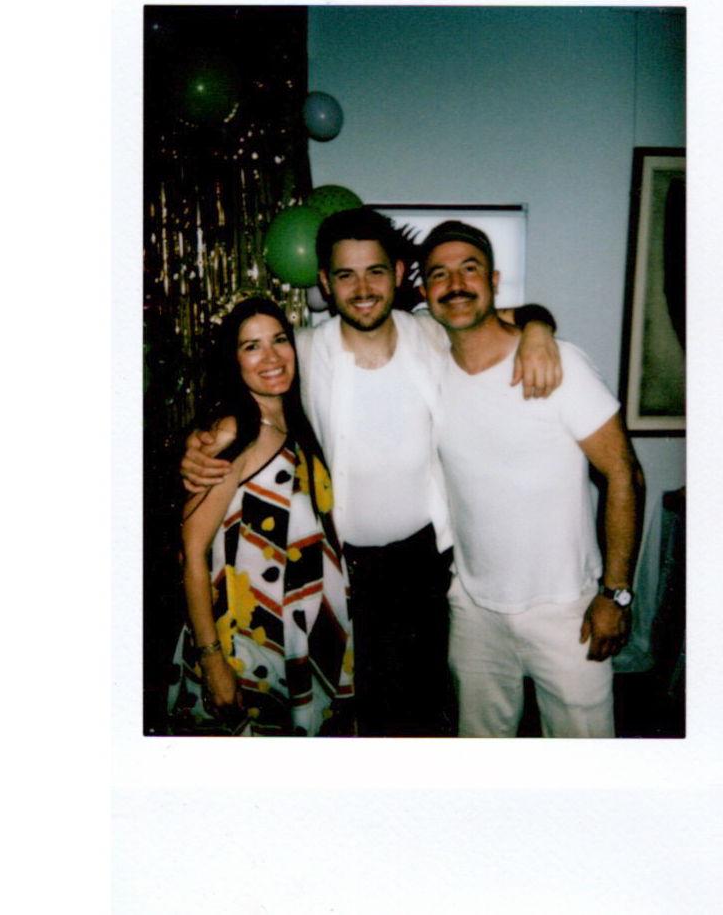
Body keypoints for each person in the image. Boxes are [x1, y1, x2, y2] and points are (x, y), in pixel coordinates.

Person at [180, 207, 562, 736]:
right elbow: (248, 395)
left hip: (427, 562)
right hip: (341, 571)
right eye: (346, 275)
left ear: (399, 274)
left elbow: (507, 317)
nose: (362, 289)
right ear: (325, 282)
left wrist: (540, 327)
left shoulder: (433, 334)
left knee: (428, 707)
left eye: (375, 272)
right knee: (358, 714)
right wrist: (201, 443)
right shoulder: (303, 351)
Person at [419, 220, 646, 738]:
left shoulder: (558, 363)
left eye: (469, 269)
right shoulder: (428, 368)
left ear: (494, 281)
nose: (455, 284)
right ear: (425, 292)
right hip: (474, 610)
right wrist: (536, 319)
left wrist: (616, 594)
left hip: (567, 609)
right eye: (439, 275)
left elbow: (624, 474)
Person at [167, 297, 354, 736]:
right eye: (251, 346)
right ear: (233, 362)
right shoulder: (233, 431)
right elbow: (190, 553)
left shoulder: (296, 422)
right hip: (243, 642)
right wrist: (211, 660)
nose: (271, 357)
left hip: (298, 634)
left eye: (279, 340)